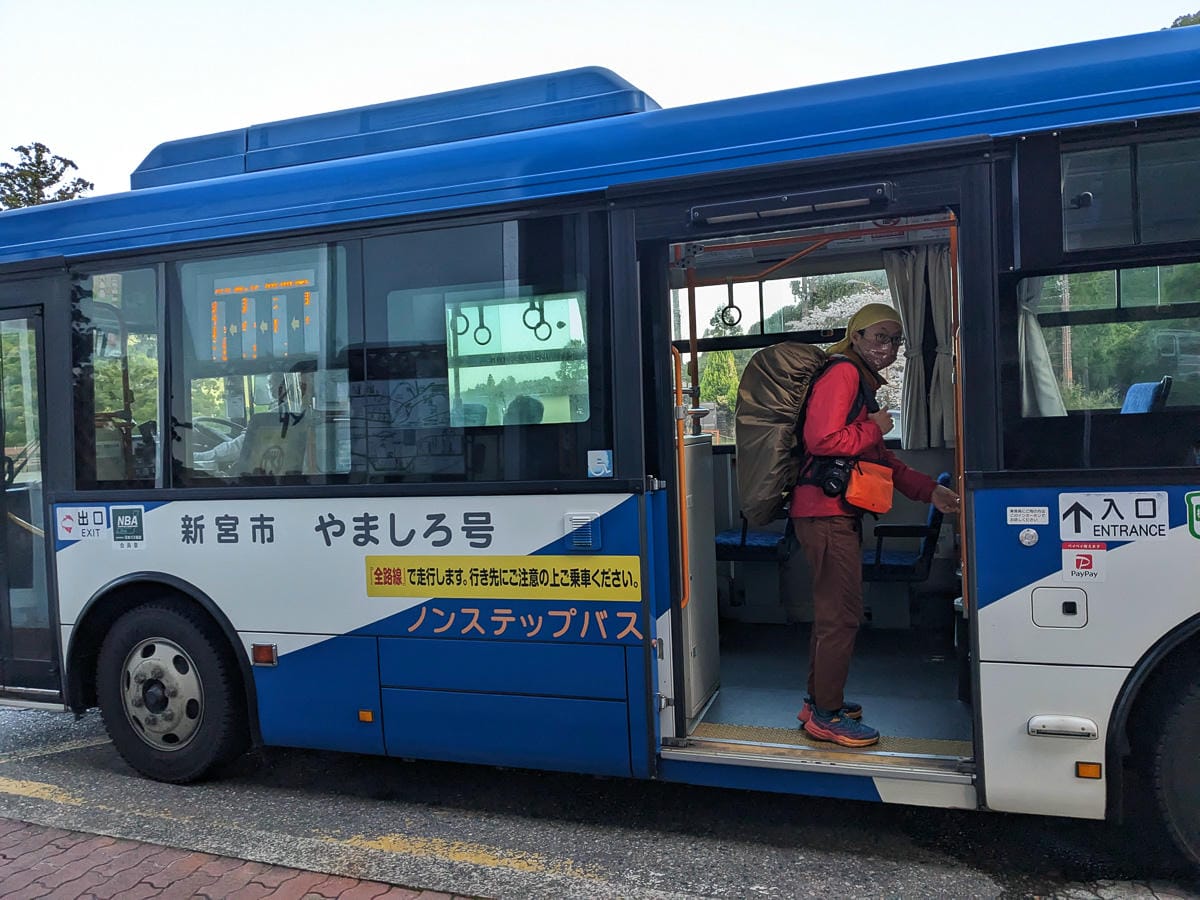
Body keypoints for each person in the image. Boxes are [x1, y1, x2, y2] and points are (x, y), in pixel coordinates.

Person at [790, 302, 960, 748]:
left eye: (896, 340)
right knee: (842, 615)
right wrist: (876, 426)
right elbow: (822, 440)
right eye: (880, 337)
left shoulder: (858, 381)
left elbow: (880, 460)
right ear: (857, 336)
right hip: (826, 514)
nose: (889, 347)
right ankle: (826, 716)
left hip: (832, 513)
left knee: (832, 614)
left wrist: (930, 490)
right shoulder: (844, 373)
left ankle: (818, 702)